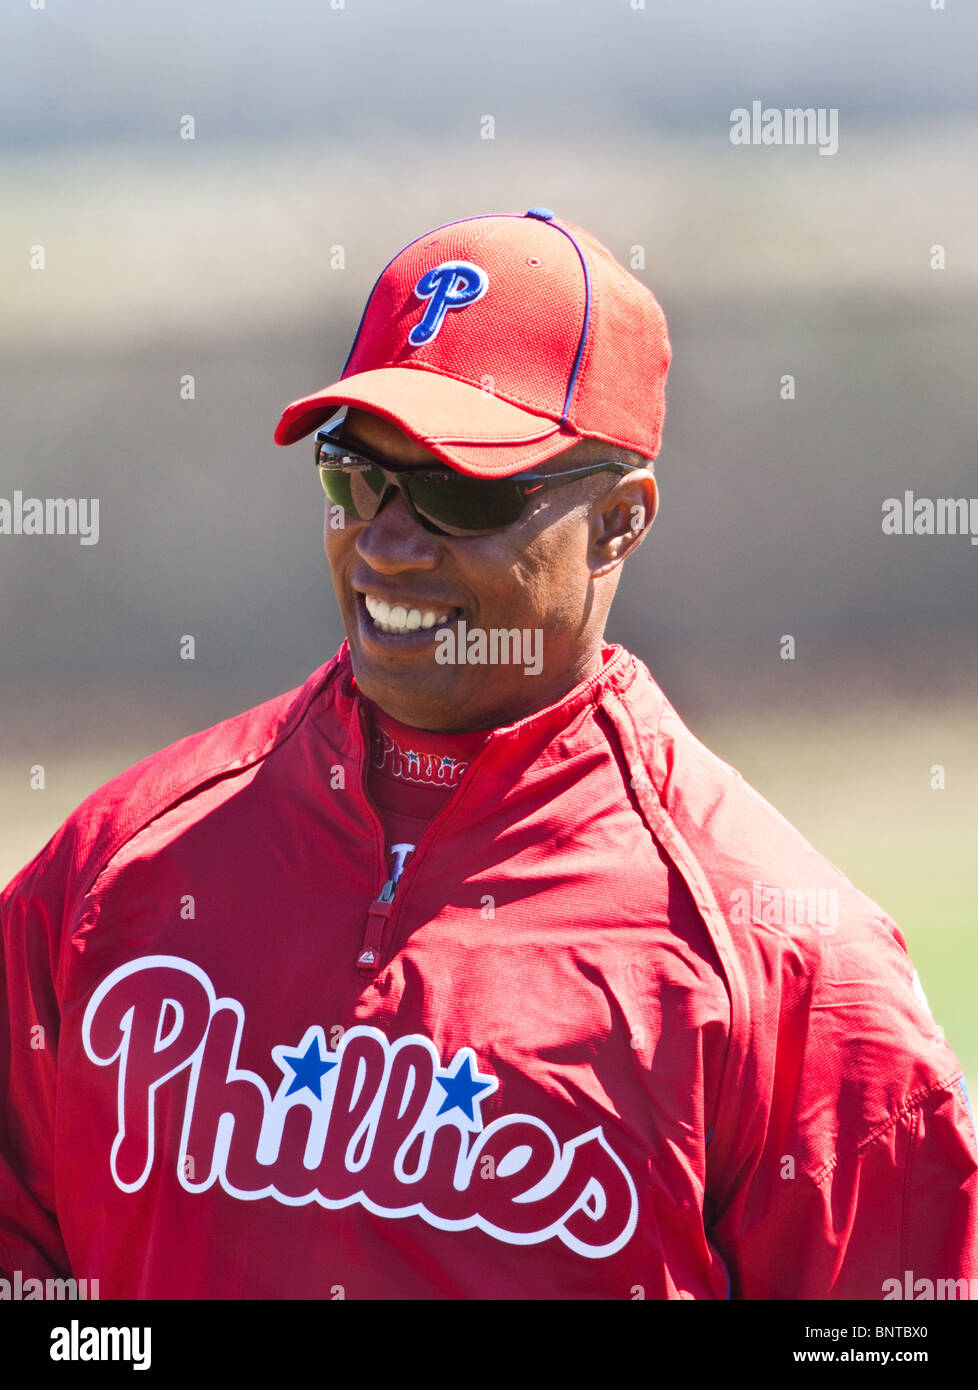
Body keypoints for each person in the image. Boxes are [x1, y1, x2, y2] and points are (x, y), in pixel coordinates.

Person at [1, 208, 975, 1302]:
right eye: (356, 473)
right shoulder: (109, 876)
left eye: (462, 491)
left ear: (620, 520)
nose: (386, 541)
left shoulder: (783, 962)